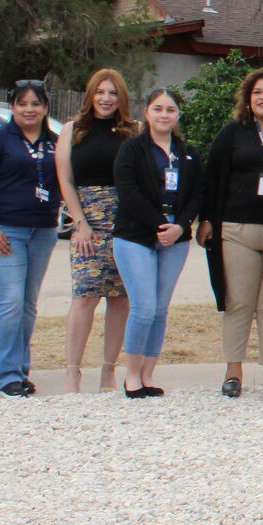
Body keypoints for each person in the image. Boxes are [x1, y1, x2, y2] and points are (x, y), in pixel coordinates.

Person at [197, 68, 263, 399]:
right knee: (238, 302)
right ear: (248, 97)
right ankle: (233, 372)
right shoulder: (232, 133)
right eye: (257, 92)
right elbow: (212, 179)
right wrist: (206, 220)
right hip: (236, 229)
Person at [0, 80, 60, 397]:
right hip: (6, 230)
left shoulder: (55, 142)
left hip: (43, 231)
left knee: (27, 303)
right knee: (10, 301)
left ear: (46, 107)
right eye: (22, 103)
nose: (29, 109)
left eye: (35, 103)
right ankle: (7, 375)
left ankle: (21, 371)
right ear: (13, 107)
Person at [112, 87, 201, 398]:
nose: (164, 115)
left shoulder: (188, 152)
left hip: (175, 239)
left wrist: (180, 226)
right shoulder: (132, 149)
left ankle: (149, 374)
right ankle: (132, 375)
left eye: (170, 110)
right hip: (136, 235)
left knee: (161, 309)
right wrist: (158, 224)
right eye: (158, 109)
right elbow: (128, 191)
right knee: (144, 307)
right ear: (146, 112)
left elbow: (196, 195)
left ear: (178, 114)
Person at [55, 68, 134, 392]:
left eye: (112, 93)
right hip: (87, 225)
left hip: (126, 225)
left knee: (120, 299)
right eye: (100, 92)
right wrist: (80, 224)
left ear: (121, 98)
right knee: (84, 297)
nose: (106, 98)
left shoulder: (133, 132)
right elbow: (65, 180)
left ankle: (108, 372)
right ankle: (73, 373)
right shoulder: (72, 131)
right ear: (90, 95)